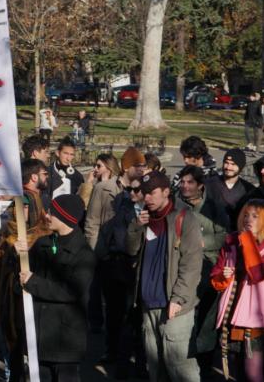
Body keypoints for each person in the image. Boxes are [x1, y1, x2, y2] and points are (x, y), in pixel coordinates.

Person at [125, 171, 203, 382]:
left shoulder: (185, 219)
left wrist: (178, 298)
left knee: (180, 368)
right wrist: (135, 227)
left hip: (174, 307)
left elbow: (192, 265)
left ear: (167, 192)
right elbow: (131, 251)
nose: (146, 198)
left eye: (152, 193)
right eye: (144, 193)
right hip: (147, 305)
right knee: (155, 367)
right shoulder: (144, 217)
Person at [19, 195, 95, 382]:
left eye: (52, 212)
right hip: (39, 335)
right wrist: (20, 257)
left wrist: (33, 282)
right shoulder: (42, 243)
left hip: (64, 340)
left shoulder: (84, 254)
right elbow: (23, 277)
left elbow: (70, 291)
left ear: (65, 217)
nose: (47, 215)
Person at [85, 146, 144, 369]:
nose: (142, 169)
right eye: (138, 165)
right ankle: (111, 350)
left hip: (134, 259)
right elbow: (92, 224)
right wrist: (96, 254)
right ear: (127, 167)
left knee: (132, 310)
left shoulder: (144, 188)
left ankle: (129, 353)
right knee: (113, 309)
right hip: (108, 257)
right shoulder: (104, 188)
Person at [210, 200, 264, 382]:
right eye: (246, 214)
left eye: (255, 216)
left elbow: (258, 273)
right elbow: (216, 279)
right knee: (236, 373)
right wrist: (224, 276)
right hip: (231, 317)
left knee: (254, 375)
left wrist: (247, 239)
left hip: (256, 320)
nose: (248, 219)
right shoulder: (231, 241)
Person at [0, 196, 49, 381]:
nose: (23, 211)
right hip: (12, 302)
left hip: (37, 304)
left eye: (27, 207)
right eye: (19, 207)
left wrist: (27, 252)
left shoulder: (44, 233)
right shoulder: (8, 235)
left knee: (37, 354)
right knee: (14, 352)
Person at [175, 165, 229, 377]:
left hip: (209, 269)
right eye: (183, 182)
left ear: (200, 186)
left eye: (190, 182)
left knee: (206, 322)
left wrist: (200, 242)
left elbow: (224, 235)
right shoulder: (176, 205)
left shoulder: (214, 207)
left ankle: (204, 366)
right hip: (183, 269)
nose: (185, 186)